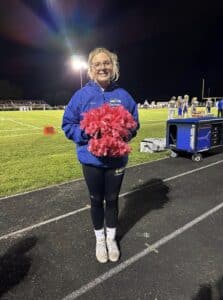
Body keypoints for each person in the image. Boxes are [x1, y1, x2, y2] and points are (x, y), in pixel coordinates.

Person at [62, 47, 139, 263]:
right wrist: (88, 131)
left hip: (116, 160)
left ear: (113, 67)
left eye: (107, 63)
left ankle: (111, 239)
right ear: (91, 68)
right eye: (98, 64)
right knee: (96, 200)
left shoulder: (123, 96)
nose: (102, 67)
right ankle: (99, 240)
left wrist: (124, 131)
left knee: (113, 200)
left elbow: (135, 123)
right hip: (91, 160)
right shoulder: (81, 96)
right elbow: (67, 125)